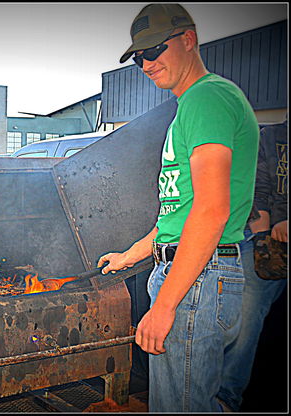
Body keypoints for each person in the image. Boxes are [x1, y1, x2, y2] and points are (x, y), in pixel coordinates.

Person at [97, 4, 259, 412]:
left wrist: (165, 304)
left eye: (154, 51)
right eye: (138, 57)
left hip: (196, 280)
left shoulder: (207, 98)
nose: (146, 64)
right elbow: (180, 212)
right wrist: (130, 255)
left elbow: (211, 210)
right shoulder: (190, 105)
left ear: (189, 40)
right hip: (195, 275)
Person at [218, 118, 288, 411]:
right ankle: (225, 399)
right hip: (269, 240)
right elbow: (257, 188)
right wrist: (264, 236)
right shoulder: (272, 134)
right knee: (243, 319)